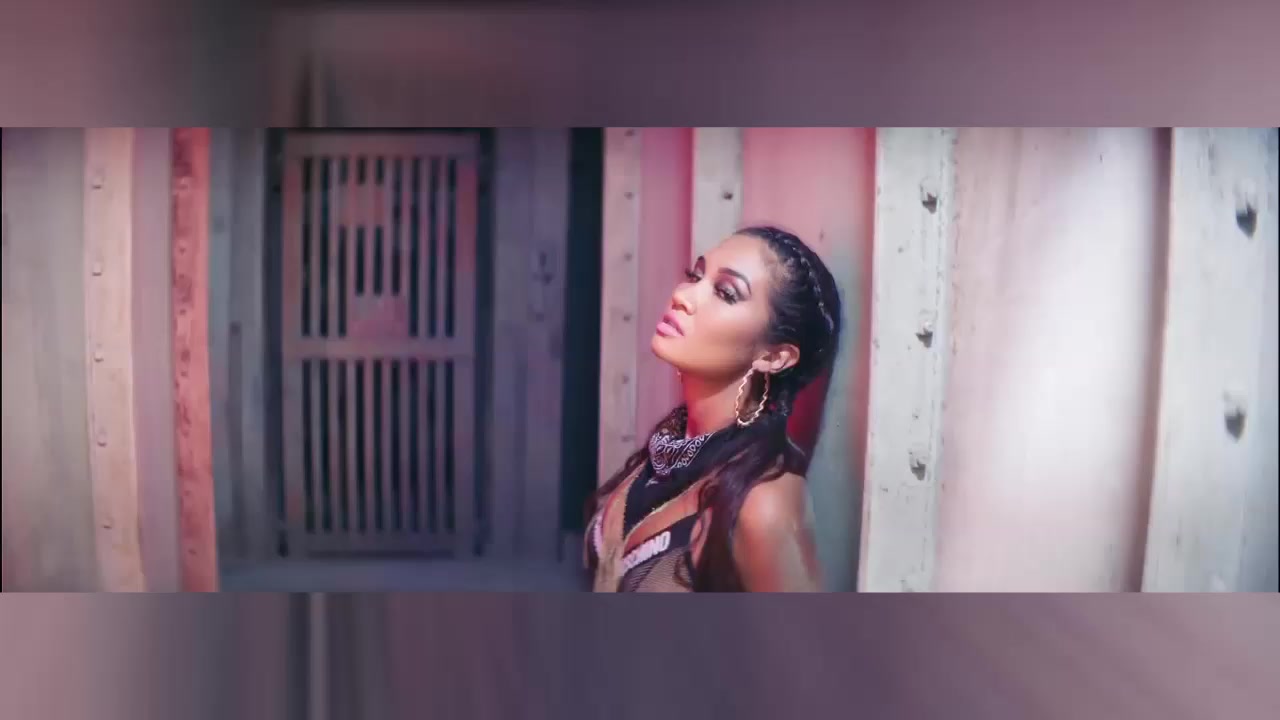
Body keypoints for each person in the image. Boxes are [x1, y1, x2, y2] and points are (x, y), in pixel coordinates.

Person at [585, 225, 842, 592]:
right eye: (695, 275)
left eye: (725, 292)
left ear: (774, 356)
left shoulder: (763, 502)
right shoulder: (666, 452)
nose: (682, 295)